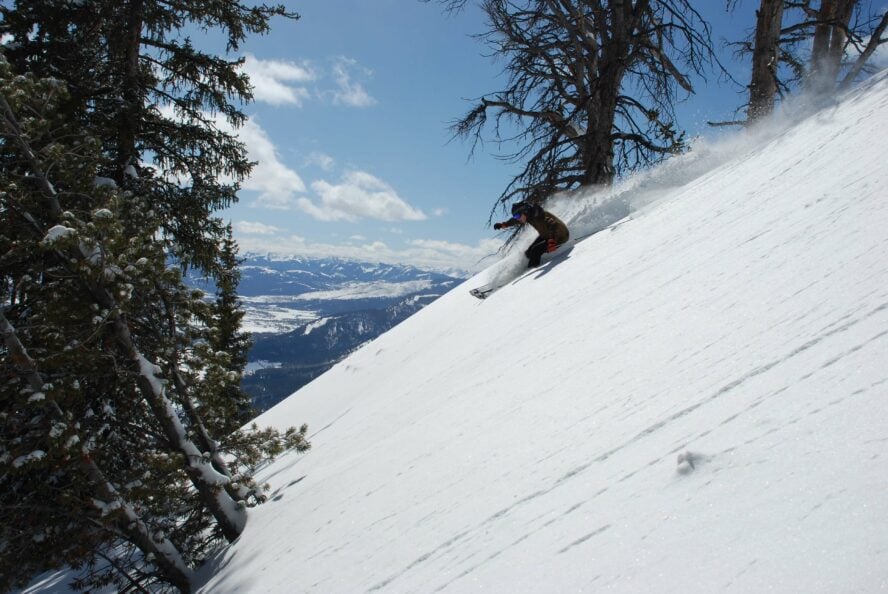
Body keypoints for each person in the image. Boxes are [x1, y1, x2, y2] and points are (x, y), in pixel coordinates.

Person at [494, 201, 570, 268]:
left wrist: (551, 241)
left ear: (525, 211)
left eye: (517, 216)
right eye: (515, 216)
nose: (517, 219)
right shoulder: (529, 216)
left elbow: (553, 225)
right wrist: (504, 225)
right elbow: (514, 221)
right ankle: (536, 263)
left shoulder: (539, 215)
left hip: (560, 236)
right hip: (546, 235)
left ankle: (532, 271)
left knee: (535, 251)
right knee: (528, 253)